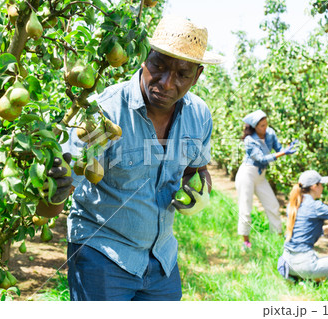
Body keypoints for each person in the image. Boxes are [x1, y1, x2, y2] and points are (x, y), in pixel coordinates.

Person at [36, 15, 224, 301]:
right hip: (103, 254)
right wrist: (54, 191)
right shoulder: (104, 115)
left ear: (197, 76)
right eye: (158, 67)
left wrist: (201, 191)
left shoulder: (198, 116)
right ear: (143, 58)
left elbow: (196, 169)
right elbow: (52, 204)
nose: (166, 83)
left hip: (162, 258)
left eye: (182, 74)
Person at [235, 110, 298, 249]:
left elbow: (279, 148)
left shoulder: (270, 133)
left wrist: (288, 148)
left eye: (266, 124)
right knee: (245, 208)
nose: (265, 127)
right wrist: (282, 153)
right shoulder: (250, 140)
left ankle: (278, 238)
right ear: (255, 127)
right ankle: (246, 241)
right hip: (248, 173)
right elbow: (261, 158)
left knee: (273, 205)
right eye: (261, 125)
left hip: (260, 175)